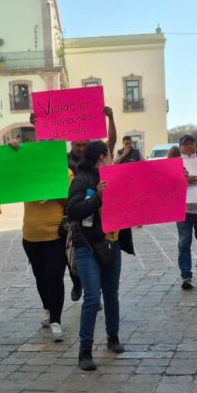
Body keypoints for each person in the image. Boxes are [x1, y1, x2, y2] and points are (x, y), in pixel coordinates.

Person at [65, 141, 135, 371]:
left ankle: (113, 337)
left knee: (111, 294)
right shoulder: (82, 179)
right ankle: (85, 351)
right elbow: (73, 210)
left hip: (111, 243)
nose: (112, 157)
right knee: (93, 297)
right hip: (86, 245)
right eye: (109, 154)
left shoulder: (117, 176)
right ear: (101, 157)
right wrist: (97, 197)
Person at [7, 139, 73, 342]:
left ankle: (56, 319)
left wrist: (52, 188)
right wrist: (12, 150)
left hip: (55, 235)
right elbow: (5, 173)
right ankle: (47, 306)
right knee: (40, 277)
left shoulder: (65, 172)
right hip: (31, 235)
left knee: (54, 274)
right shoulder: (27, 170)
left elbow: (70, 202)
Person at [50, 106, 117, 301]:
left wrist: (110, 118)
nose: (80, 148)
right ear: (71, 143)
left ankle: (90, 288)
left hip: (94, 214)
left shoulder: (97, 157)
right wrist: (36, 125)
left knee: (91, 251)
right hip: (71, 211)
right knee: (72, 252)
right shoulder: (63, 160)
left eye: (84, 144)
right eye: (77, 144)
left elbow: (111, 142)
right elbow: (44, 159)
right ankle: (79, 282)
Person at [176, 134, 197, 288]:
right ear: (180, 147)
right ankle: (186, 275)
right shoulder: (175, 164)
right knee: (184, 242)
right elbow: (170, 184)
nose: (189, 146)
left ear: (196, 145)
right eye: (185, 144)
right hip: (183, 209)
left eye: (191, 143)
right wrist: (184, 180)